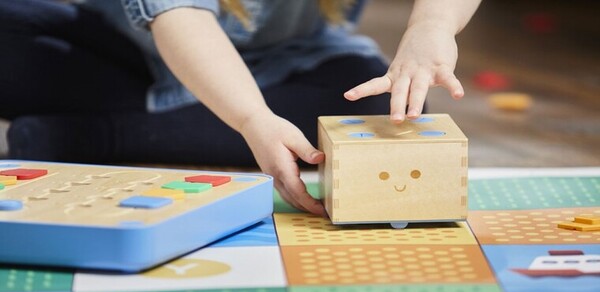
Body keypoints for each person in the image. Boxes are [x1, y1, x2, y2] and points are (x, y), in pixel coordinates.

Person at [0, 0, 480, 215]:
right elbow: (177, 16)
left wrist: (432, 24)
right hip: (128, 49)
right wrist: (252, 119)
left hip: (286, 62)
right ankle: (111, 129)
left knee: (374, 102)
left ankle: (97, 134)